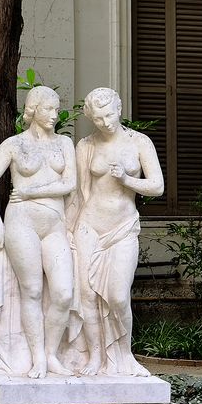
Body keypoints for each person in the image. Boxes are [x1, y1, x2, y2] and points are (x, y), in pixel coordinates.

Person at [0, 85, 77, 378]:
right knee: (31, 290)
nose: (55, 115)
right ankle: (38, 358)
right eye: (49, 109)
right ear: (33, 108)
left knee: (63, 293)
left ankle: (51, 353)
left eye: (57, 110)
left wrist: (32, 191)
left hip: (55, 224)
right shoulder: (13, 145)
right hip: (21, 223)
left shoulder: (64, 144)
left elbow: (69, 184)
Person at [67, 87, 164, 376]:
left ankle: (123, 356)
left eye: (109, 115)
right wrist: (66, 231)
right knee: (86, 295)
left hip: (122, 228)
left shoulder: (139, 142)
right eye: (98, 119)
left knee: (118, 296)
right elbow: (77, 194)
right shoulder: (86, 145)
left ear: (119, 108)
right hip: (88, 226)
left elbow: (157, 186)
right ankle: (96, 357)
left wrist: (126, 179)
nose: (105, 122)